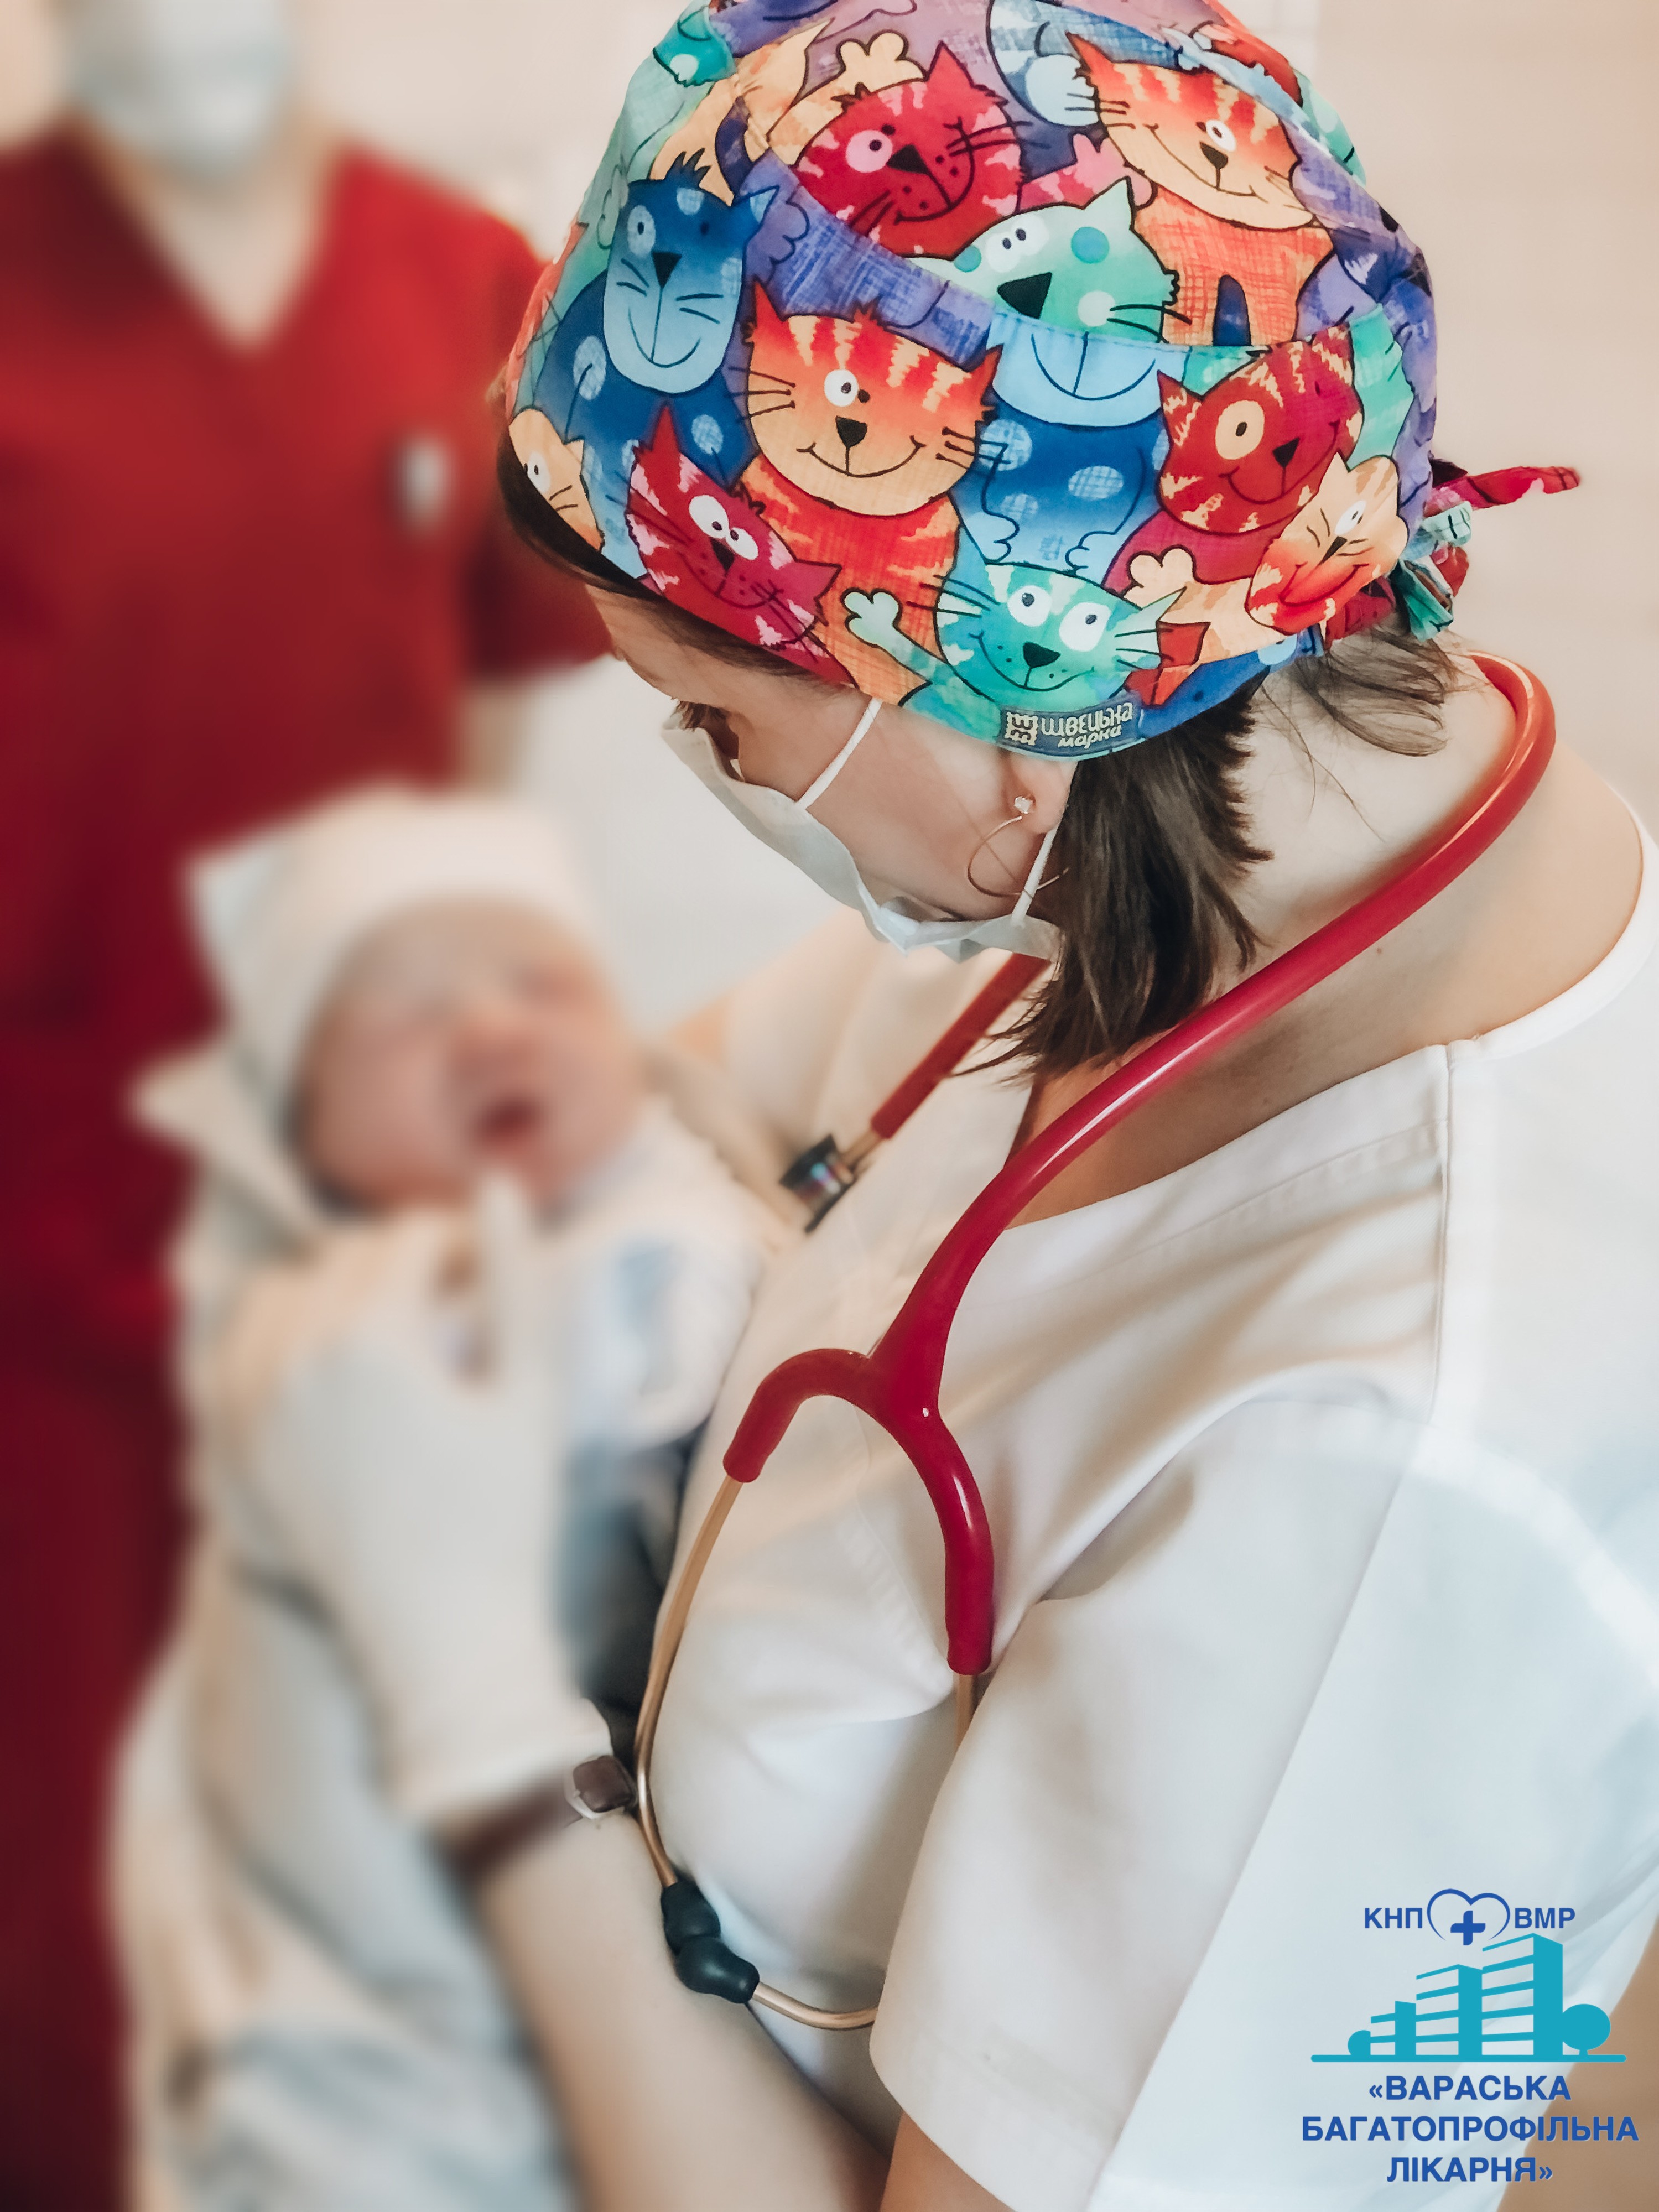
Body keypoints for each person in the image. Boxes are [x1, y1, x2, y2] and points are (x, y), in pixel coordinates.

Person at [225, 3, 1658, 2206]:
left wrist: (479, 1739)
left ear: (987, 678)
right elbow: (718, 1115)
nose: (713, 784)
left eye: (720, 724)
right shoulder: (1220, 800)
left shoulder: (1383, 1475)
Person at [0, 2, 604, 2200]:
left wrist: (437, 1035)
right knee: (55, 1830)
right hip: (42, 1178)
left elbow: (492, 704)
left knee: (355, 1785)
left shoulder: (455, 290)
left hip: (357, 1177)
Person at [112, 788, 777, 2212]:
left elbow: (699, 1313)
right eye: (403, 1013)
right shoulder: (347, 1306)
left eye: (538, 982)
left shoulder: (663, 1218)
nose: (488, 1029)